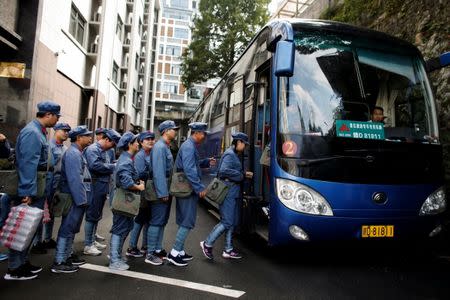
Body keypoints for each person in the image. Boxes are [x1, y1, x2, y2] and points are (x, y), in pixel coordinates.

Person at [4, 100, 60, 281]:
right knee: (21, 227)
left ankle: (22, 262)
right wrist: (26, 193)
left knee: (28, 228)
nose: (57, 120)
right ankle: (14, 268)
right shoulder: (33, 133)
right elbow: (28, 164)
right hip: (30, 188)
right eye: (56, 116)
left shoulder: (38, 132)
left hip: (36, 186)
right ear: (49, 115)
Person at [167, 122, 216, 267]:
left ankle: (180, 251)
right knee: (187, 222)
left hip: (185, 188)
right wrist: (199, 187)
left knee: (184, 220)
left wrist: (205, 162)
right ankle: (174, 253)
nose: (204, 135)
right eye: (203, 133)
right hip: (187, 189)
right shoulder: (189, 146)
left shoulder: (188, 145)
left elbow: (191, 164)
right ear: (197, 133)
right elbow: (189, 169)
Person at [200, 132, 253, 260]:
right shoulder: (230, 154)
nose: (244, 147)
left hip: (232, 192)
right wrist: (242, 175)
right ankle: (207, 243)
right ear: (239, 142)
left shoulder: (233, 154)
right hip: (228, 192)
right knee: (227, 221)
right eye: (244, 144)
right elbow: (223, 170)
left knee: (231, 222)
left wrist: (242, 173)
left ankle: (228, 249)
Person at [51, 126, 93, 273]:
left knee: (71, 228)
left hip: (75, 197)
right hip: (72, 197)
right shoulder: (74, 154)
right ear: (79, 138)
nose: (90, 138)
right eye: (87, 135)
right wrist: (82, 200)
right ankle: (60, 260)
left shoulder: (77, 152)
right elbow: (75, 180)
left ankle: (66, 256)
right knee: (67, 227)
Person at [144, 120, 179, 265]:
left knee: (162, 221)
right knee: (157, 221)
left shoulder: (164, 146)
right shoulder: (159, 147)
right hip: (160, 189)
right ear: (165, 131)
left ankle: (157, 249)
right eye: (173, 129)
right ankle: (150, 253)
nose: (175, 131)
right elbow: (158, 172)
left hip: (164, 188)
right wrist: (163, 192)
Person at [109, 132, 145, 271]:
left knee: (124, 227)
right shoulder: (126, 160)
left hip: (125, 199)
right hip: (123, 199)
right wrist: (139, 186)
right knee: (119, 229)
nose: (138, 143)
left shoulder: (126, 158)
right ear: (129, 144)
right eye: (136, 141)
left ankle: (117, 256)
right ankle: (114, 260)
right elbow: (126, 182)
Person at [34, 122, 71, 252]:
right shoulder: (49, 146)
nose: (66, 133)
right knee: (41, 212)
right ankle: (36, 242)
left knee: (52, 212)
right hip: (47, 182)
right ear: (56, 130)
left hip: (58, 183)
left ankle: (47, 238)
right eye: (63, 130)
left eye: (67, 131)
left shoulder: (65, 149)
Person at [83, 128, 121, 256]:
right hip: (94, 184)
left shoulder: (105, 150)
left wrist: (114, 164)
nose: (113, 147)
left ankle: (92, 240)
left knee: (97, 214)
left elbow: (106, 164)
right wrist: (113, 166)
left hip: (101, 185)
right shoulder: (93, 149)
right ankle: (88, 244)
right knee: (91, 214)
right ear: (106, 139)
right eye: (113, 143)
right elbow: (95, 165)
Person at [126, 130, 156, 257]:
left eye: (152, 139)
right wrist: (152, 169)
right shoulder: (140, 156)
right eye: (147, 139)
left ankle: (145, 246)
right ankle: (132, 247)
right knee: (139, 219)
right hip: (142, 192)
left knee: (147, 219)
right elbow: (138, 175)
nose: (150, 141)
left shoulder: (152, 153)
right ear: (141, 142)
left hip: (150, 191)